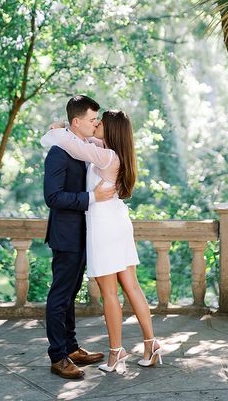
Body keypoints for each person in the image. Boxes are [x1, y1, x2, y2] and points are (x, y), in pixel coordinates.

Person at [42, 108, 162, 374]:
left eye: (100, 122)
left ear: (110, 129)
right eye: (93, 120)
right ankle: (151, 345)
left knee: (110, 292)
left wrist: (56, 130)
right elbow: (81, 140)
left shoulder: (105, 156)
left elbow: (72, 143)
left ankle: (116, 354)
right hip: (116, 221)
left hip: (105, 225)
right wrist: (66, 125)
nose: (95, 125)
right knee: (132, 287)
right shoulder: (111, 151)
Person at [43, 95, 117, 380]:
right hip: (66, 235)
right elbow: (53, 196)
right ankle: (58, 356)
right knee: (60, 295)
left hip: (85, 232)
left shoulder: (84, 145)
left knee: (71, 293)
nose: (96, 123)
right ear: (77, 122)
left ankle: (71, 347)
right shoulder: (59, 152)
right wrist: (91, 197)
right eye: (91, 119)